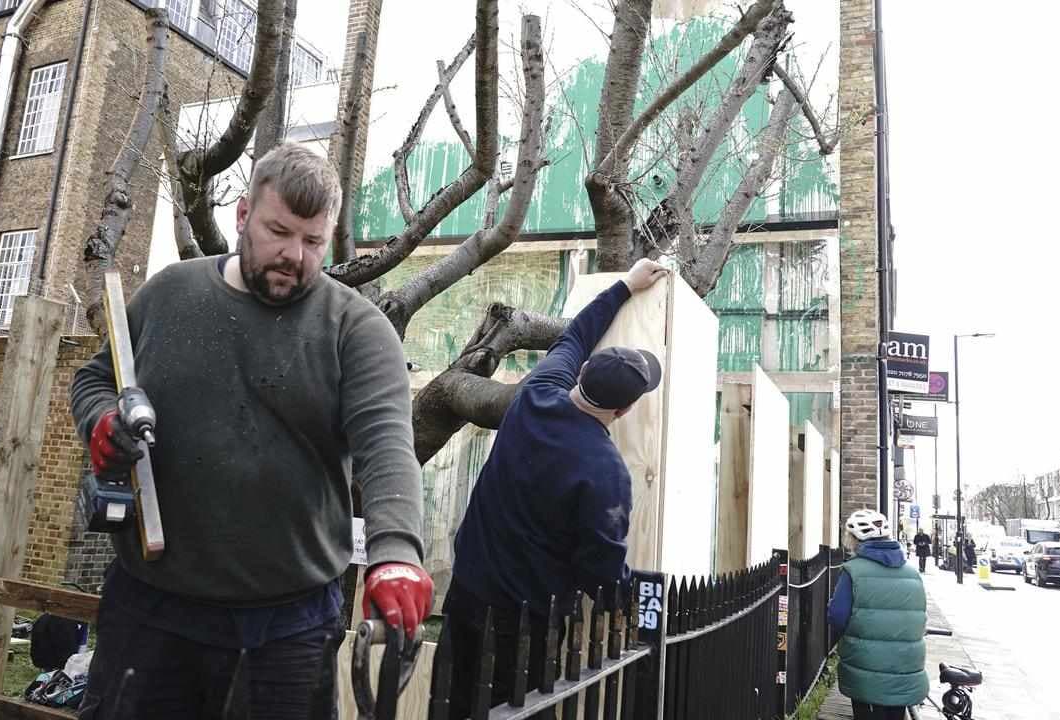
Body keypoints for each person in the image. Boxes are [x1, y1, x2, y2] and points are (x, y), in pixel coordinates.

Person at [69, 142, 432, 720]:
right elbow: (94, 379)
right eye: (278, 231)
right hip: (149, 611)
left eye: (313, 241)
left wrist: (396, 554)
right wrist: (103, 422)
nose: (294, 255)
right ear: (242, 216)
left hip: (285, 630)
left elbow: (387, 448)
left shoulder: (356, 331)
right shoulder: (169, 294)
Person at [441, 259, 669, 717]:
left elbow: (575, 336)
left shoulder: (536, 392)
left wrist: (625, 284)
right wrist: (637, 592)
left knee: (449, 701)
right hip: (525, 623)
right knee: (511, 709)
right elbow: (599, 572)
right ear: (623, 412)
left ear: (581, 375)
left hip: (466, 590)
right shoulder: (605, 473)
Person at [827, 510, 929, 720]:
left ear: (855, 539)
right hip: (905, 665)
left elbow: (837, 616)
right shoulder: (913, 574)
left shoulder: (852, 571)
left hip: (865, 664)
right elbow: (920, 619)